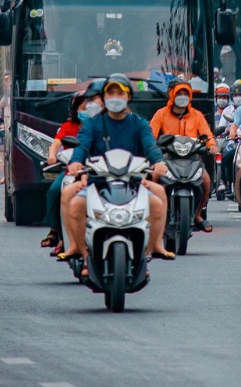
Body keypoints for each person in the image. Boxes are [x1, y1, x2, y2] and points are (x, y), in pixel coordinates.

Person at [59, 74, 170, 266]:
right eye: (111, 93)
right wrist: (76, 163)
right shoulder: (93, 124)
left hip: (133, 182)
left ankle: (149, 251)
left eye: (120, 93)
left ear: (128, 97)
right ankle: (81, 251)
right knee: (74, 203)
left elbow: (151, 147)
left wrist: (159, 162)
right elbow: (82, 147)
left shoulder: (139, 123)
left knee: (158, 204)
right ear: (104, 97)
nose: (115, 97)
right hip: (98, 182)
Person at [149, 78, 216, 232]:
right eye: (179, 93)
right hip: (168, 157)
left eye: (186, 92)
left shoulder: (197, 115)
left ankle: (198, 214)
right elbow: (150, 135)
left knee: (206, 181)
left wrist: (211, 145)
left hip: (192, 158)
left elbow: (207, 134)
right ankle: (152, 213)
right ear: (171, 94)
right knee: (153, 176)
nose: (183, 96)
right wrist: (152, 147)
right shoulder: (161, 114)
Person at [43, 80, 103, 250]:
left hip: (101, 169)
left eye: (91, 105)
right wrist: (52, 156)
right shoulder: (69, 126)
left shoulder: (104, 125)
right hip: (74, 169)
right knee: (56, 190)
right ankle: (58, 233)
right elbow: (56, 144)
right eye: (83, 107)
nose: (86, 109)